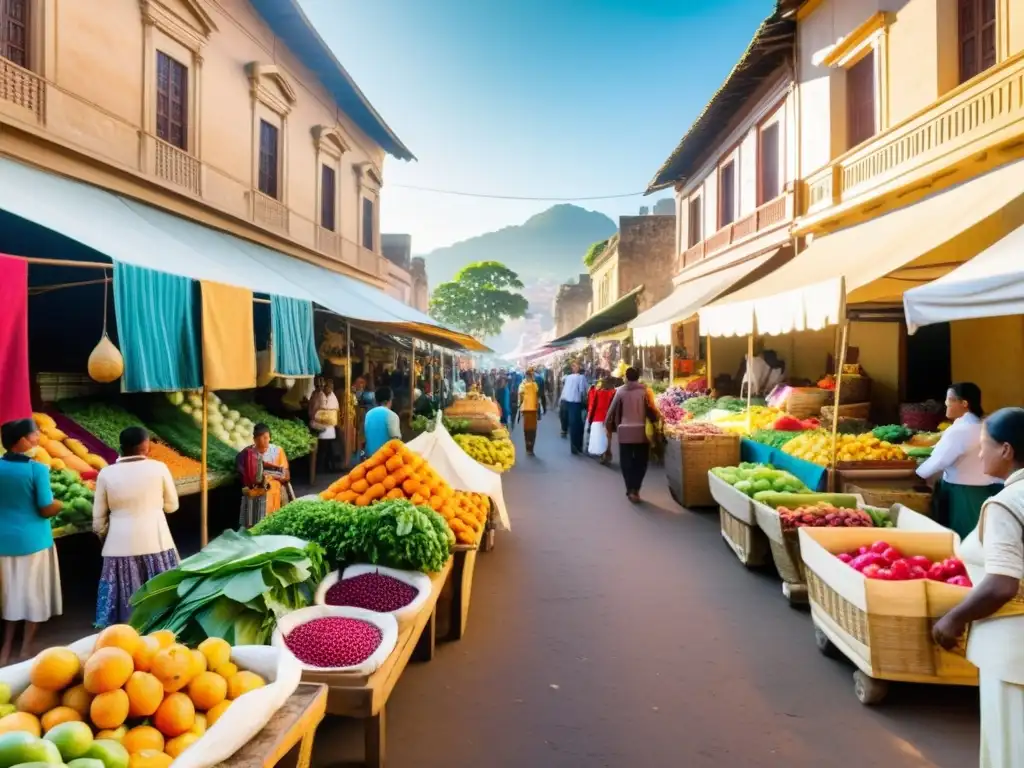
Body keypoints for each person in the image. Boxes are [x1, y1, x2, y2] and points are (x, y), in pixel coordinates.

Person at [932, 407, 1024, 766]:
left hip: (1012, 648)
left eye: (985, 444)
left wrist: (953, 619)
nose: (980, 452)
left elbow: (1002, 585)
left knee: (1011, 746)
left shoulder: (1006, 504)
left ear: (1007, 450)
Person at [93, 426, 179, 627]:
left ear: (122, 446)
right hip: (156, 539)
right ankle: (158, 625)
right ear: (145, 445)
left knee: (122, 592)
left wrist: (102, 532)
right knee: (161, 589)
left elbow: (98, 518)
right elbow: (173, 506)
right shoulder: (159, 468)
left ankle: (125, 628)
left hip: (119, 543)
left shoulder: (106, 473)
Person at [0, 419, 63, 665]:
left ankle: (5, 648)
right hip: (33, 542)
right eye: (34, 434)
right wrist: (60, 504)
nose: (38, 438)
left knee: (10, 594)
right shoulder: (37, 470)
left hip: (4, 542)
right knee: (32, 595)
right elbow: (46, 508)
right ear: (22, 440)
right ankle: (26, 648)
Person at [918, 383, 1003, 539]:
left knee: (963, 536)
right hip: (981, 489)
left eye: (950, 399)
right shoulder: (980, 425)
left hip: (962, 491)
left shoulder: (961, 430)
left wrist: (918, 474)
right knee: (977, 535)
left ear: (964, 403)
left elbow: (938, 461)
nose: (946, 404)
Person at [604, 367, 658, 503]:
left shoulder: (620, 391)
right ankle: (636, 489)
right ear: (638, 377)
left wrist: (607, 427)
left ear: (626, 378)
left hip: (624, 432)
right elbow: (653, 409)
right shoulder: (646, 391)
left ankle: (630, 489)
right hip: (642, 433)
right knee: (641, 462)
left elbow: (609, 413)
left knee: (626, 462)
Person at [254, 423, 291, 515]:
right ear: (254, 440)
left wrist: (267, 472)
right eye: (260, 439)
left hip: (275, 487)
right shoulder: (250, 454)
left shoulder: (278, 451)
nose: (264, 441)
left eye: (266, 438)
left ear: (270, 438)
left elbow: (286, 475)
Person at [309, 377, 340, 473]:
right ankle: (322, 467)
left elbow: (333, 409)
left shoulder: (332, 397)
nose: (329, 388)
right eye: (327, 386)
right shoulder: (317, 394)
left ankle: (325, 467)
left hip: (328, 426)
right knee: (323, 448)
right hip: (319, 424)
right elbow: (314, 408)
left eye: (331, 387)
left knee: (326, 448)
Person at [560, 361, 589, 454]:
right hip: (576, 403)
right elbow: (582, 391)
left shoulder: (568, 377)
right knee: (578, 424)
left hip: (568, 403)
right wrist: (585, 401)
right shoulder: (581, 378)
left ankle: (575, 445)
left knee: (573, 424)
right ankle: (577, 445)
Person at [587, 374, 617, 463]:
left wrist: (590, 418)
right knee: (608, 436)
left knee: (602, 436)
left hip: (598, 417)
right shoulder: (613, 393)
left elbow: (592, 405)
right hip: (609, 417)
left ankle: (604, 453)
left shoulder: (597, 392)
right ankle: (607, 452)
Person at [365, 386, 402, 456]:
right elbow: (396, 439)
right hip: (385, 459)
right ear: (389, 400)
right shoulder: (392, 415)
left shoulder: (368, 414)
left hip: (370, 458)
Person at [518, 368, 543, 455]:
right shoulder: (525, 384)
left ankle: (530, 448)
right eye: (532, 375)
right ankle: (529, 448)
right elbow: (522, 394)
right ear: (528, 375)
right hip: (529, 410)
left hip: (530, 410)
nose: (533, 376)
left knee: (530, 429)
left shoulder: (529, 384)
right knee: (530, 429)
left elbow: (536, 395)